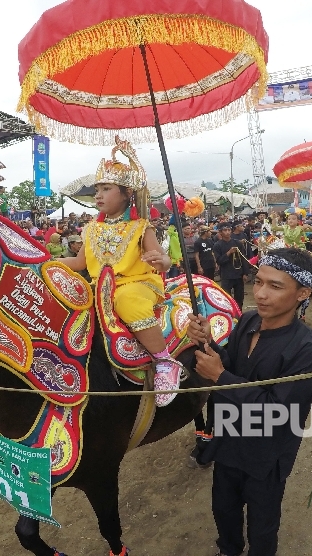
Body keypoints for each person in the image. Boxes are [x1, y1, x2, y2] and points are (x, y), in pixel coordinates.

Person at [186, 248, 312, 556]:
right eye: (259, 282)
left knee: (262, 524)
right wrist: (207, 342)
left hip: (266, 454)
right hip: (228, 441)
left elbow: (276, 410)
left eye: (275, 286)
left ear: (302, 293)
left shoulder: (311, 351)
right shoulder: (250, 320)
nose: (261, 294)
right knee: (223, 509)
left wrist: (220, 377)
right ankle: (229, 549)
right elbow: (231, 365)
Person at [57, 138, 182, 407]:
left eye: (106, 188)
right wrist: (45, 263)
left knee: (126, 302)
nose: (98, 195)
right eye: (97, 189)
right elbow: (79, 263)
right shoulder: (90, 228)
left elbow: (163, 259)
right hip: (98, 286)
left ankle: (164, 360)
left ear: (126, 193)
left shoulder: (140, 226)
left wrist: (162, 262)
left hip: (136, 284)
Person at [213, 222, 249, 310]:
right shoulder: (217, 245)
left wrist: (245, 273)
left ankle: (239, 314)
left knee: (239, 297)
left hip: (238, 274)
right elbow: (219, 261)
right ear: (220, 232)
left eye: (229, 230)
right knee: (226, 297)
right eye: (225, 230)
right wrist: (229, 253)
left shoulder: (238, 243)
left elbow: (243, 258)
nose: (227, 232)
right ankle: (229, 314)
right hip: (226, 275)